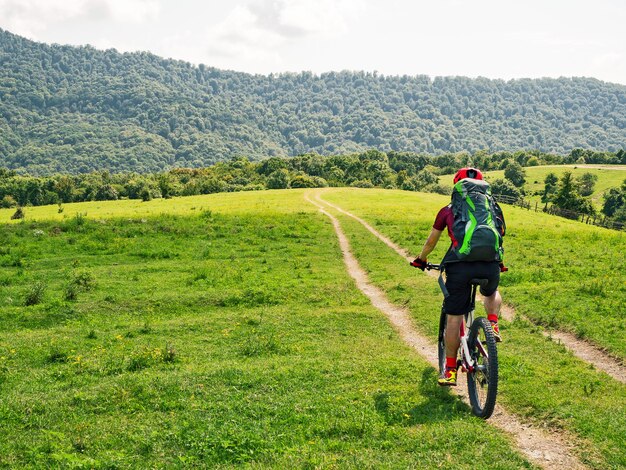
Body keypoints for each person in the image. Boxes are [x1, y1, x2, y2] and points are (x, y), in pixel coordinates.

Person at [411, 167, 505, 386]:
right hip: (490, 265)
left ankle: (450, 369)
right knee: (491, 291)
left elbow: (431, 242)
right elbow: (499, 236)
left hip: (460, 268)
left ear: (456, 186)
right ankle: (493, 323)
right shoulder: (494, 209)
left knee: (454, 316)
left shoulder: (448, 210)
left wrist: (421, 259)